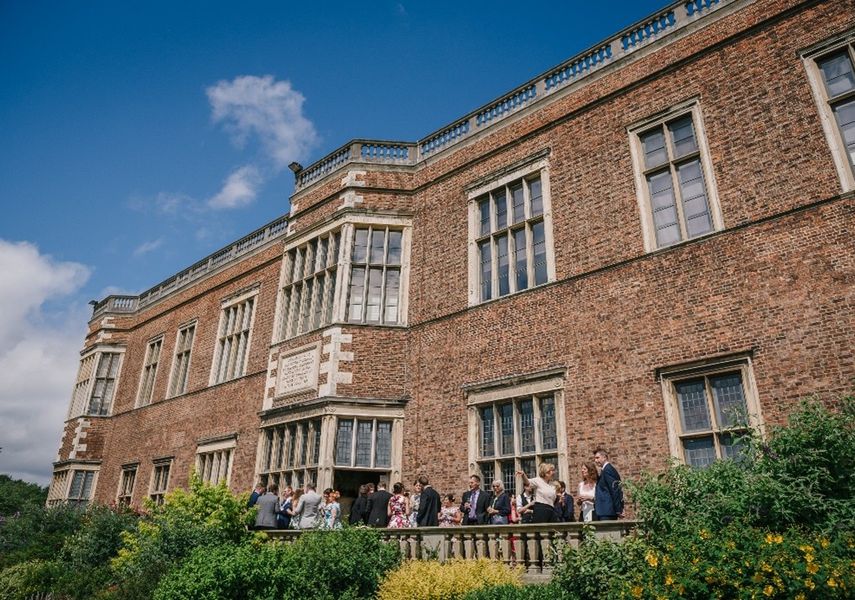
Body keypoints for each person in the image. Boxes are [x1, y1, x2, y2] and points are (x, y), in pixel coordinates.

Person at [593, 448, 624, 520]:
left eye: (597, 458)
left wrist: (618, 510)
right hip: (604, 511)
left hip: (607, 511)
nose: (595, 461)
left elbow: (615, 490)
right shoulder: (605, 470)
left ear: (604, 457)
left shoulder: (608, 470)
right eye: (595, 458)